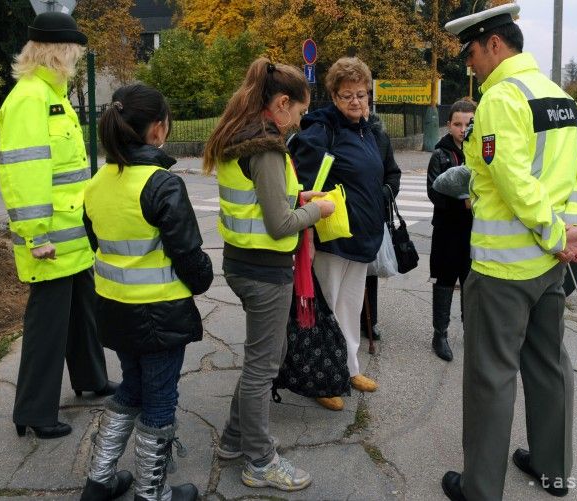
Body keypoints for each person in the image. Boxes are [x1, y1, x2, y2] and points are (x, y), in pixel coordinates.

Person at [441, 5, 577, 500]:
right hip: (553, 267)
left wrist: (555, 235)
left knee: (491, 378)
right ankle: (553, 471)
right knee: (549, 366)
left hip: (503, 269)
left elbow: (513, 182)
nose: (470, 65)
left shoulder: (499, 99)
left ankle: (480, 489)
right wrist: (572, 233)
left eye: (471, 53)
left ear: (493, 44)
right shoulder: (560, 99)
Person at [203, 58, 334, 492]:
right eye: (298, 112)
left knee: (260, 361)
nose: (299, 121)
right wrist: (318, 209)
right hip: (265, 271)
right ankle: (260, 461)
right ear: (281, 103)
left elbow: (263, 201)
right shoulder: (265, 146)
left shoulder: (240, 136)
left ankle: (233, 438)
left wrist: (298, 194)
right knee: (264, 367)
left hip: (243, 264)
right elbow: (279, 224)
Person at [81, 83, 213, 501]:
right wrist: (203, 279)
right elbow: (188, 254)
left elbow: (96, 242)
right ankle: (151, 494)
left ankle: (99, 481)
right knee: (159, 401)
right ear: (157, 129)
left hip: (114, 311)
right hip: (159, 316)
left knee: (131, 389)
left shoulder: (97, 182)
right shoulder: (161, 185)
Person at [0, 11, 116, 441]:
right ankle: (33, 411)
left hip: (72, 233)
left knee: (83, 311)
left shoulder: (52, 95)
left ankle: (92, 380)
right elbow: (24, 174)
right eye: (73, 53)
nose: (76, 60)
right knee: (47, 324)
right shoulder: (29, 100)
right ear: (58, 53)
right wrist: (36, 236)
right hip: (49, 239)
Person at [288, 57, 385, 411]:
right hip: (332, 235)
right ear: (333, 94)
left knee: (348, 306)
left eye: (361, 94)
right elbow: (306, 178)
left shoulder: (369, 129)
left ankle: (348, 369)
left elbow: (384, 171)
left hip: (361, 236)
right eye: (347, 96)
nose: (356, 101)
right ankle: (318, 379)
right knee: (323, 308)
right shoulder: (321, 128)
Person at [426, 99, 475, 362]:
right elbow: (435, 193)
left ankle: (472, 332)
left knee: (471, 282)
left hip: (474, 232)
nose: (463, 129)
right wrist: (465, 202)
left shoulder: (481, 152)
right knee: (445, 281)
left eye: (469, 124)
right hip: (446, 231)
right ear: (449, 125)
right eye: (457, 123)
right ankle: (440, 334)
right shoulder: (440, 154)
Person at [360, 103, 402, 341]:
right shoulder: (339, 134)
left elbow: (393, 173)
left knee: (370, 271)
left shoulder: (380, 136)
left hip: (375, 214)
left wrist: (386, 192)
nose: (359, 106)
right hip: (348, 213)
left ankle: (370, 320)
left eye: (363, 99)